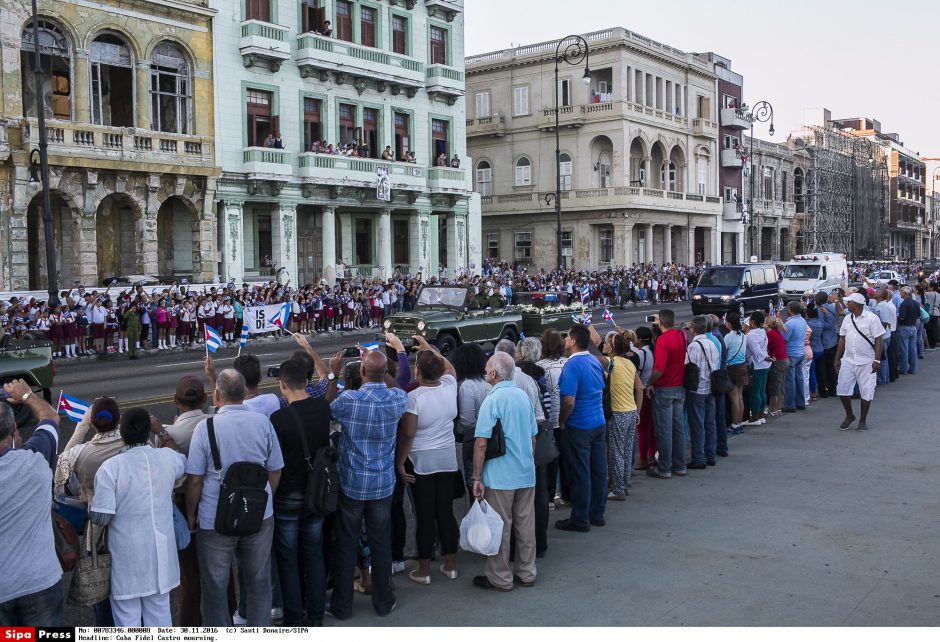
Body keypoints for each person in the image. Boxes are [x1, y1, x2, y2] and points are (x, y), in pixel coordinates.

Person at [185, 369, 284, 626]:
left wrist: (191, 513)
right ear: (243, 393)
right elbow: (275, 469)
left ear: (217, 395)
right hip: (259, 516)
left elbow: (195, 479)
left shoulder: (205, 427)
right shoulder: (263, 422)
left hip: (215, 519)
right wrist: (264, 500)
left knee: (215, 586)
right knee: (259, 581)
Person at [328, 350, 407, 620]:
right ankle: (383, 602)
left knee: (346, 544)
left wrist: (332, 374)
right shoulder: (396, 398)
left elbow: (326, 410)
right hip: (383, 482)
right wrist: (380, 369)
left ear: (362, 371)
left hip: (352, 482)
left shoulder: (349, 400)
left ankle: (342, 606)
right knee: (380, 543)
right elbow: (399, 389)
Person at [89, 408, 186, 626]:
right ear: (146, 432)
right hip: (161, 556)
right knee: (160, 617)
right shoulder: (168, 458)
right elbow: (184, 463)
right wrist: (160, 432)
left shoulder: (110, 468)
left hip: (127, 561)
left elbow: (101, 518)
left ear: (122, 434)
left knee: (127, 620)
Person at [269, 358, 331, 626]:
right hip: (317, 493)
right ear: (307, 382)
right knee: (314, 554)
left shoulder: (278, 418)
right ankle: (316, 615)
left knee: (288, 557)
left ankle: (294, 616)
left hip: (288, 493)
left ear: (281, 385)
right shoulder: (323, 407)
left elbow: (276, 465)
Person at [470, 352, 538, 591]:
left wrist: (476, 476)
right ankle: (527, 571)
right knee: (525, 524)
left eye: (487, 367)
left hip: (500, 475)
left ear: (494, 373)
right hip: (525, 472)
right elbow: (532, 437)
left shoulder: (492, 400)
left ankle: (500, 577)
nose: (485, 370)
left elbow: (481, 442)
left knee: (500, 526)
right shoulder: (523, 396)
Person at [0, 380, 62, 626]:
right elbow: (50, 417)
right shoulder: (35, 460)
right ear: (14, 428)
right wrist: (27, 395)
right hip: (39, 582)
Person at [396, 343, 460, 585]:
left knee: (424, 515)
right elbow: (450, 368)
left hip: (420, 461)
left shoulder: (413, 397)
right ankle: (451, 564)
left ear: (417, 371)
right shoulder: (449, 386)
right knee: (445, 512)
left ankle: (423, 570)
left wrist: (400, 462)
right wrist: (432, 349)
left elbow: (408, 434)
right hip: (446, 458)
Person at [555, 324, 606, 532]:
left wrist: (562, 420)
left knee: (580, 474)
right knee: (598, 471)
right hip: (598, 421)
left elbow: (568, 401)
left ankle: (580, 518)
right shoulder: (594, 361)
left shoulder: (572, 366)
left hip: (579, 426)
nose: (565, 340)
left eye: (567, 337)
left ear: (573, 341)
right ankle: (597, 513)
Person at [588, 326, 642, 500]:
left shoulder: (610, 363)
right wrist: (638, 412)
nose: (603, 344)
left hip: (617, 411)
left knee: (616, 451)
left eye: (606, 343)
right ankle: (624, 483)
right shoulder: (628, 363)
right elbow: (639, 388)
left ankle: (618, 489)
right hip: (631, 410)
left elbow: (592, 354)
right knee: (626, 450)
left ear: (611, 348)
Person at [834, 293, 885, 432]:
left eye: (848, 302)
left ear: (855, 304)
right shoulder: (847, 319)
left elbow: (879, 340)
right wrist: (837, 358)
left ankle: (862, 420)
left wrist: (877, 359)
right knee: (843, 390)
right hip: (849, 360)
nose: (846, 305)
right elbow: (842, 339)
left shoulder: (872, 319)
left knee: (866, 391)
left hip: (867, 361)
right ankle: (850, 415)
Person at [647, 309, 687, 479]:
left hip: (665, 388)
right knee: (678, 429)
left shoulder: (663, 340)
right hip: (679, 386)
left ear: (660, 323)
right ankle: (680, 465)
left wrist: (649, 382)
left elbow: (659, 370)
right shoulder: (680, 335)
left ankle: (664, 467)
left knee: (664, 430)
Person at [536, 329, 568, 506]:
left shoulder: (540, 366)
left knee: (551, 460)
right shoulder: (567, 363)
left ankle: (550, 497)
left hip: (550, 419)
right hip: (567, 416)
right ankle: (566, 493)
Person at [453, 343, 489, 490]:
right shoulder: (488, 381)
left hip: (473, 442)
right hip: (493, 439)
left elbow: (467, 422)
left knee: (473, 482)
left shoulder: (467, 386)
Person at [685, 315, 720, 468]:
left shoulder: (694, 346)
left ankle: (699, 458)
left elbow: (689, 367)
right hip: (711, 387)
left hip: (698, 389)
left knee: (697, 424)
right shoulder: (712, 343)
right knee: (710, 423)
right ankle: (710, 454)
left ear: (693, 329)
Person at [723, 313, 748, 434]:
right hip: (742, 367)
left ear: (729, 323)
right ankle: (739, 422)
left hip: (732, 368)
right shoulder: (743, 335)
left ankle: (734, 424)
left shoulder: (728, 337)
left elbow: (723, 351)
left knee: (734, 399)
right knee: (740, 397)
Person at [744, 311, 770, 426]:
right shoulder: (762, 331)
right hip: (765, 365)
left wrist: (763, 357)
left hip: (757, 364)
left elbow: (756, 351)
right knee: (761, 391)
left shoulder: (751, 334)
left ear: (753, 322)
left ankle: (755, 418)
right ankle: (760, 415)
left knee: (754, 392)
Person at [782, 301, 808, 413]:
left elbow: (784, 339)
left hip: (791, 353)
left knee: (790, 379)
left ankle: (789, 404)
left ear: (790, 310)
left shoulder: (789, 323)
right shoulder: (802, 320)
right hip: (800, 352)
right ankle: (800, 402)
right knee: (799, 378)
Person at [765, 316, 788, 416]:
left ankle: (773, 409)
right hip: (785, 360)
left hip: (777, 361)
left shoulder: (770, 334)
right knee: (781, 384)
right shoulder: (777, 332)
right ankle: (779, 408)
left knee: (775, 386)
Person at [896, 286, 919, 375]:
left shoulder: (904, 304)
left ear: (905, 293)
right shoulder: (915, 303)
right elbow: (918, 315)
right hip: (913, 326)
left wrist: (897, 317)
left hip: (904, 327)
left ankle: (903, 368)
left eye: (901, 292)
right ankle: (913, 368)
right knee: (913, 349)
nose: (900, 293)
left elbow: (902, 317)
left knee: (903, 349)